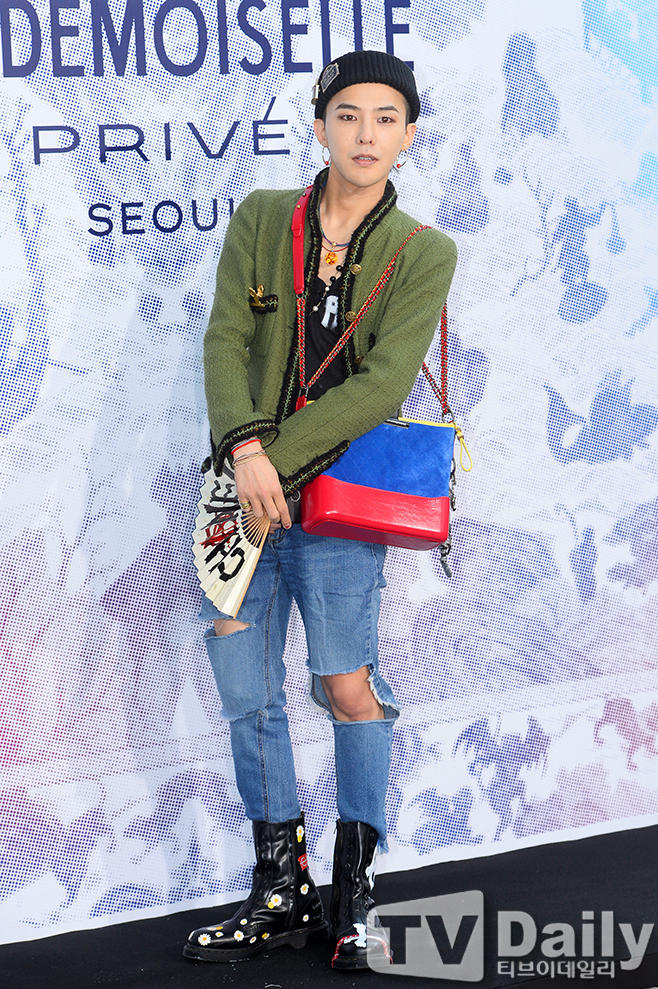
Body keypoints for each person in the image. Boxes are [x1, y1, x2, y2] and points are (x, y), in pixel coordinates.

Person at [183, 49, 457, 970]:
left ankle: (355, 888)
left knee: (347, 686)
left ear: (408, 136)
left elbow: (382, 386)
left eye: (386, 119)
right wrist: (246, 453)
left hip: (334, 505)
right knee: (244, 682)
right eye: (348, 116)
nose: (365, 134)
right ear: (320, 126)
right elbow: (225, 337)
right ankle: (280, 884)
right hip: (240, 490)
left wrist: (278, 461)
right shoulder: (264, 218)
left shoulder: (422, 251)